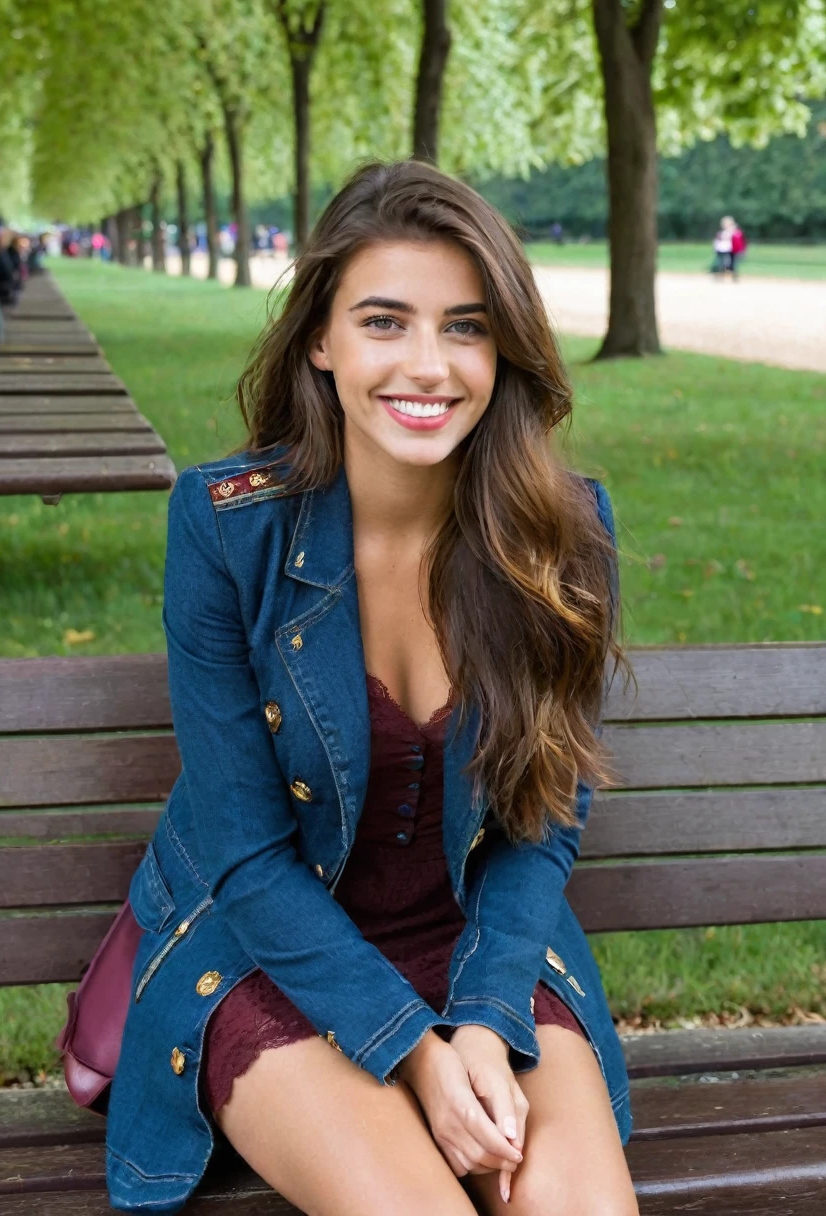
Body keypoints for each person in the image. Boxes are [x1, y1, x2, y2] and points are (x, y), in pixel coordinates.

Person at [103, 159, 637, 1216]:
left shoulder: (561, 535)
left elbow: (543, 824)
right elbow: (246, 856)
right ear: (321, 338)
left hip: (479, 939)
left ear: (504, 347)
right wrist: (414, 1054)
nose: (428, 366)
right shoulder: (227, 527)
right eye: (385, 322)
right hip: (269, 951)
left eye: (467, 327)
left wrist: (481, 1020)